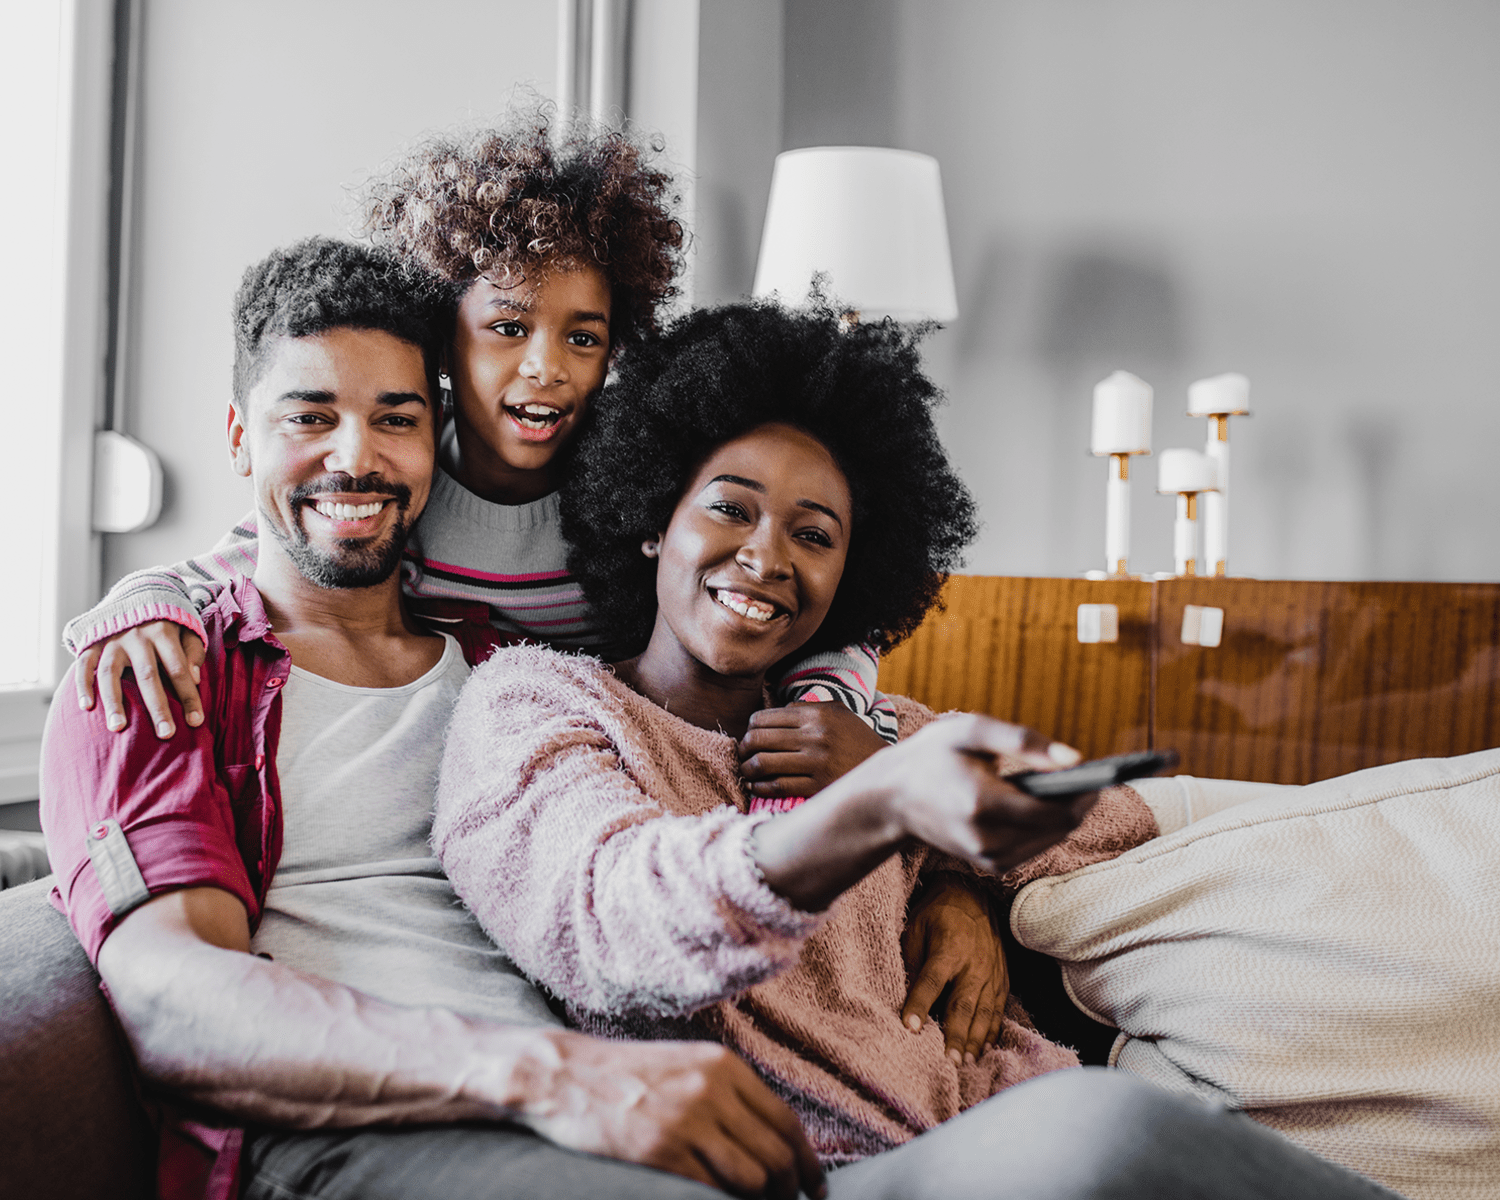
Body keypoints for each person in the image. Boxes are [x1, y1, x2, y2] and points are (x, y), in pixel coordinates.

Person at [62, 109, 1012, 1060]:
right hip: (534, 822)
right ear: (444, 345)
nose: (546, 369)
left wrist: (901, 813)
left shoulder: (639, 498)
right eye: (507, 327)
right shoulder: (394, 481)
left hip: (644, 799)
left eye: (584, 339)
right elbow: (265, 541)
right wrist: (143, 603)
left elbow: (799, 618)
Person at [431, 298, 1407, 1199]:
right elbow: (612, 922)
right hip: (835, 1170)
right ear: (654, 521)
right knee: (1108, 1134)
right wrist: (883, 809)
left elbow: (1100, 827)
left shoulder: (868, 727)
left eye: (813, 535)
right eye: (729, 508)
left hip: (1000, 1113)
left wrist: (957, 875)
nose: (767, 556)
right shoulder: (537, 703)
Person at [41, 237, 830, 1200]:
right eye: (311, 417)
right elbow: (174, 1004)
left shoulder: (510, 668)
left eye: (395, 419)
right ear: (242, 435)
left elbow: (722, 773)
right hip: (357, 1133)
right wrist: (548, 1076)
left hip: (586, 1104)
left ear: (435, 436)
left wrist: (956, 881)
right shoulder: (161, 672)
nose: (356, 457)